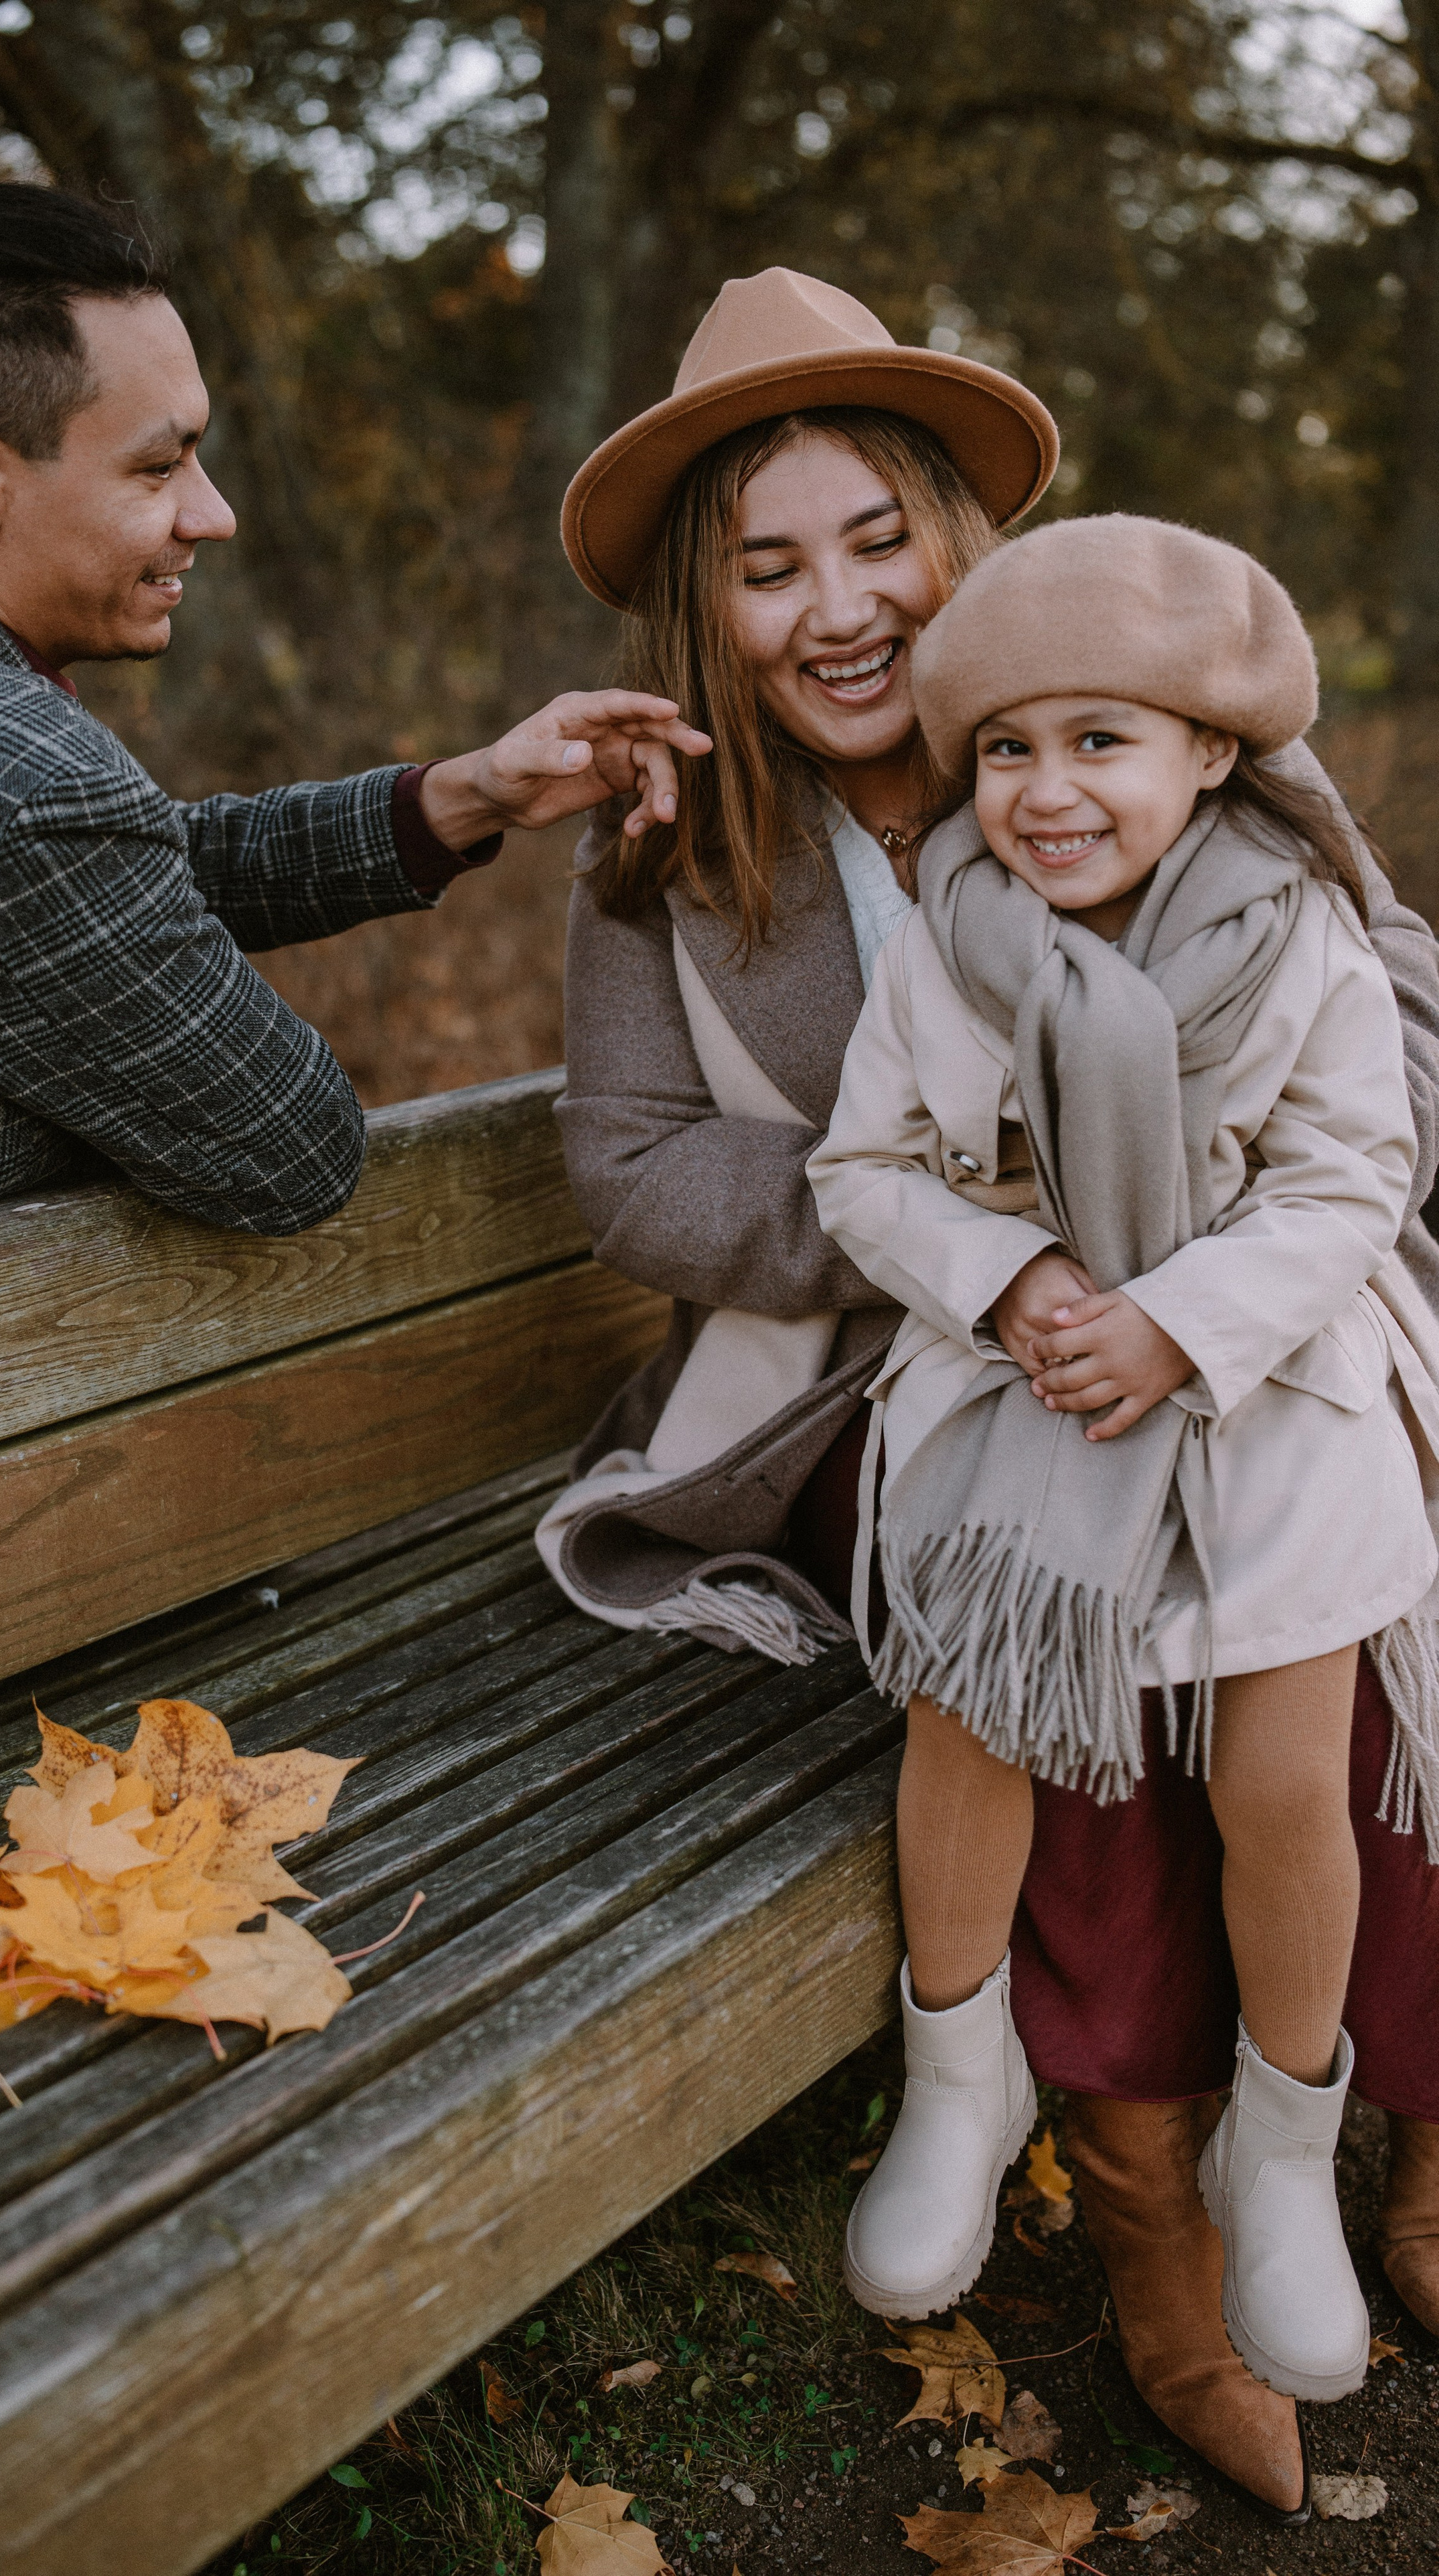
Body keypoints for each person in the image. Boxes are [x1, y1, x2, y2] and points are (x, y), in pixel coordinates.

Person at [548, 267, 1439, 2519]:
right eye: (770, 569)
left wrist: (1217, 1249)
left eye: (879, 540)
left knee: (1351, 1614)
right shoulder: (676, 846)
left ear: (959, 542)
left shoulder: (1127, 695)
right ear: (711, 610)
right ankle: (1151, 2212)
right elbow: (635, 1168)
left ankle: (1389, 2112)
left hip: (1239, 1309)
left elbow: (1393, 1018)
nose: (839, 607)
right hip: (901, 1373)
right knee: (1074, 1646)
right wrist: (998, 1244)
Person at [808, 514, 1439, 2407]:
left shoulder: (1302, 937)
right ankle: (960, 2069)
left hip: (1259, 1395)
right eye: (1007, 748)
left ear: (1214, 755)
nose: (1047, 792)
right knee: (968, 1709)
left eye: (1104, 741)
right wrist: (1013, 1283)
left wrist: (1196, 1316)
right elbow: (865, 1173)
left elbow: (1354, 1174)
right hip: (1038, 1381)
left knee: (1285, 1768)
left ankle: (1286, 2142)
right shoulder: (948, 949)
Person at [0, 182, 706, 1254]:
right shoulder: (24, 787)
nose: (214, 513)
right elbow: (291, 1151)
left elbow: (111, 885)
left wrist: (462, 797)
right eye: (158, 464)